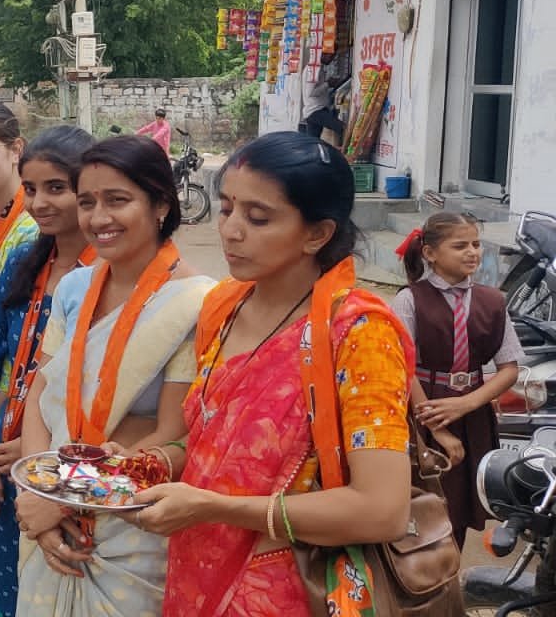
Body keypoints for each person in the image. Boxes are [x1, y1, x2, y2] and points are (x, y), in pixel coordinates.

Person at [132, 132, 416, 616]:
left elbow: (382, 510)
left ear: (317, 234)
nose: (231, 230)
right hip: (194, 571)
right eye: (226, 209)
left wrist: (214, 507)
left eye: (258, 218)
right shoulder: (224, 306)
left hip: (286, 589)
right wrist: (148, 463)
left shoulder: (358, 334)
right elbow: (215, 445)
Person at [11, 135, 213, 616]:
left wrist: (66, 498)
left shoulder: (198, 302)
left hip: (131, 522)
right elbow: (41, 393)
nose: (98, 218)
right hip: (49, 512)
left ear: (161, 204)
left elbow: (173, 433)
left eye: (117, 200)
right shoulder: (74, 288)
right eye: (87, 202)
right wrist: (37, 496)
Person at [0, 125, 95, 617]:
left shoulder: (110, 274)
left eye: (57, 188)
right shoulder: (24, 261)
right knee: (10, 594)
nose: (39, 203)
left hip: (71, 473)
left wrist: (44, 450)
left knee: (67, 592)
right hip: (2, 465)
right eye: (31, 188)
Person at [393, 212, 523, 547]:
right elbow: (401, 367)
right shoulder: (410, 300)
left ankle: (451, 573)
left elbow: (509, 368)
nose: (472, 252)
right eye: (460, 245)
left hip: (473, 414)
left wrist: (466, 403)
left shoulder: (492, 301)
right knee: (421, 506)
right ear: (430, 253)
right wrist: (437, 428)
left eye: (476, 244)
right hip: (423, 411)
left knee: (460, 508)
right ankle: (418, 575)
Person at [300, 53, 349, 142]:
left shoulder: (318, 68)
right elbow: (310, 93)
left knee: (313, 143)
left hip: (315, 111)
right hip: (315, 111)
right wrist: (327, 84)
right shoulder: (313, 69)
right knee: (342, 128)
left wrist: (329, 85)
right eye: (331, 56)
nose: (332, 59)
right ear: (322, 54)